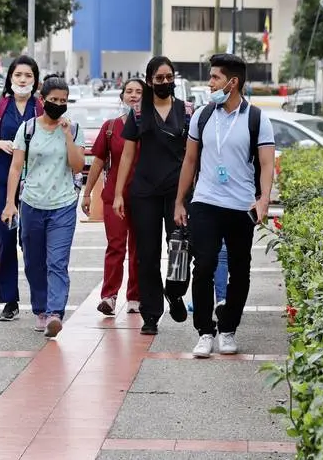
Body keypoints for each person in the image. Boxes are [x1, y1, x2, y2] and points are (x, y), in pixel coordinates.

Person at [175, 53, 276, 358]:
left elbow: (267, 163)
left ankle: (228, 328)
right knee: (203, 266)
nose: (210, 83)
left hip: (241, 205)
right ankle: (205, 331)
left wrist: (263, 200)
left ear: (233, 83)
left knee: (240, 270)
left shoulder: (257, 119)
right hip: (205, 202)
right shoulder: (203, 116)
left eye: (215, 77)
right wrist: (180, 201)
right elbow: (190, 161)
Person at [113, 57, 196, 335]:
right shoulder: (137, 112)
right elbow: (126, 156)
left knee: (180, 249)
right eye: (158, 78)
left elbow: (194, 155)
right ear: (149, 81)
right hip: (144, 192)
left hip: (178, 193)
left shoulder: (187, 112)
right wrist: (118, 195)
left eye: (168, 77)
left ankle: (174, 292)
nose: (164, 83)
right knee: (146, 255)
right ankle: (150, 314)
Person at [2, 77, 84, 338]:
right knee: (34, 261)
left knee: (57, 262)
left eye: (63, 100)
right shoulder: (28, 129)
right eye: (54, 100)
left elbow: (78, 165)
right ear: (42, 100)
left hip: (63, 205)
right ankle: (40, 309)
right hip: (31, 204)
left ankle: (55, 313)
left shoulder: (74, 128)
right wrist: (9, 204)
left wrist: (67, 136)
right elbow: (16, 168)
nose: (59, 105)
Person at [0, 55, 43, 321]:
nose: (23, 80)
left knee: (31, 241)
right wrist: (2, 144)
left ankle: (41, 301)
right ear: (10, 78)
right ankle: (9, 300)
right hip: (1, 177)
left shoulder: (40, 107)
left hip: (34, 180)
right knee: (5, 240)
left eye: (28, 76)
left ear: (35, 80)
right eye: (18, 75)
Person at [82, 79, 144, 315]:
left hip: (142, 199)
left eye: (139, 92)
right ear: (122, 96)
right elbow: (98, 161)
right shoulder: (110, 127)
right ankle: (109, 296)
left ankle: (135, 297)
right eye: (129, 91)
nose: (134, 96)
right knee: (115, 246)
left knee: (138, 248)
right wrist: (87, 193)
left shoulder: (149, 127)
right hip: (114, 199)